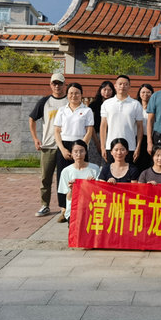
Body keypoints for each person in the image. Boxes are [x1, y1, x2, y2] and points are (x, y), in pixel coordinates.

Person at [53, 82, 95, 222]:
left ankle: (82, 207)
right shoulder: (62, 110)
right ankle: (64, 209)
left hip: (80, 145)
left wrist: (80, 148)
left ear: (81, 95)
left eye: (77, 93)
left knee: (82, 176)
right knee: (63, 176)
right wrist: (62, 149)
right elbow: (57, 131)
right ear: (67, 95)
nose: (74, 95)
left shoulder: (87, 111)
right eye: (71, 93)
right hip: (64, 146)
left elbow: (89, 131)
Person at [28, 72, 68, 217]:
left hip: (65, 146)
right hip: (48, 146)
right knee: (46, 178)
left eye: (60, 83)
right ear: (50, 85)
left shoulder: (69, 101)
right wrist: (35, 138)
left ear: (64, 85)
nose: (57, 86)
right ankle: (45, 205)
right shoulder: (45, 102)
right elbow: (32, 119)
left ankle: (65, 207)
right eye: (54, 83)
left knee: (64, 179)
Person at [100, 74, 144, 164]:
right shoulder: (107, 103)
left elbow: (140, 127)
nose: (122, 86)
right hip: (110, 147)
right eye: (120, 84)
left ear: (129, 86)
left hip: (130, 147)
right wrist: (102, 147)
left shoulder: (135, 104)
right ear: (115, 86)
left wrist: (138, 147)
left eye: (125, 84)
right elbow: (103, 126)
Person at [57, 140, 101, 223]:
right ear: (71, 153)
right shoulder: (66, 171)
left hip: (91, 209)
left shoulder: (94, 169)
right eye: (75, 152)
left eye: (81, 151)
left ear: (86, 152)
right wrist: (71, 189)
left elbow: (100, 193)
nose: (79, 154)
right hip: (74, 211)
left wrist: (93, 185)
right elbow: (68, 198)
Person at [90, 80, 115, 161]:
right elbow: (90, 125)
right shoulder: (93, 105)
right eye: (104, 89)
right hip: (95, 136)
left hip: (111, 135)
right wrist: (97, 142)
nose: (107, 92)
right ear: (100, 90)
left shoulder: (115, 105)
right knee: (94, 161)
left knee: (108, 160)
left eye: (109, 90)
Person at [135, 83, 155, 173]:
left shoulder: (155, 108)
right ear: (139, 93)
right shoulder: (136, 106)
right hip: (137, 138)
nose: (145, 94)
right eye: (143, 92)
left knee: (149, 162)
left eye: (148, 92)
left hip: (150, 138)